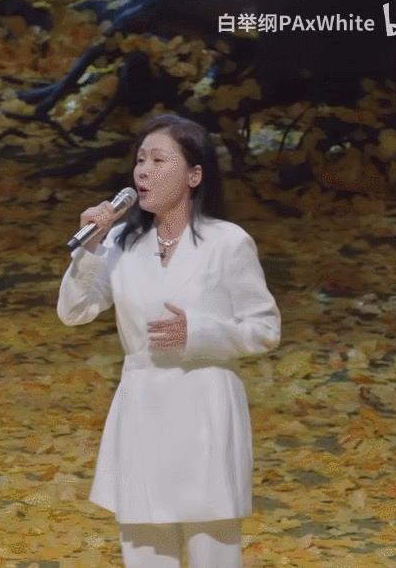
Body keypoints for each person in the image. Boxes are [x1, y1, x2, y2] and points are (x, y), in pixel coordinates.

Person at [57, 114, 280, 567]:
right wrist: (90, 248)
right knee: (145, 551)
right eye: (140, 160)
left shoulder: (227, 243)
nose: (143, 171)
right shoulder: (121, 244)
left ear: (194, 175)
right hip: (142, 406)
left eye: (159, 161)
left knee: (213, 549)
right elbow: (74, 311)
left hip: (205, 405)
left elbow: (264, 328)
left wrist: (199, 333)